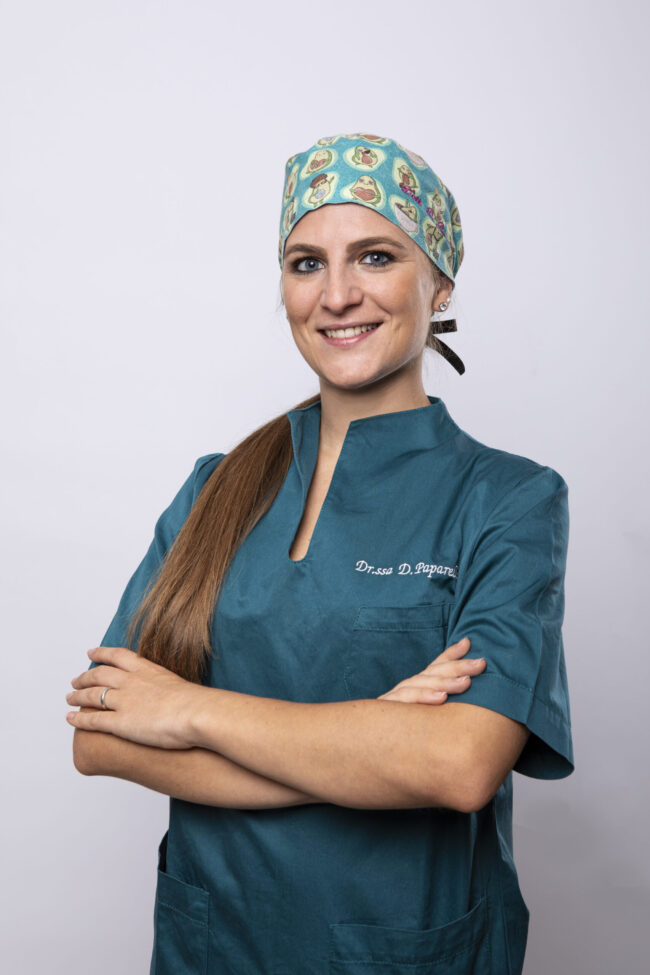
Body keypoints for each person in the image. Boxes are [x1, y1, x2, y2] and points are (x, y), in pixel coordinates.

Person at [67, 132, 574, 975]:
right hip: (213, 946)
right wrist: (373, 735)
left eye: (375, 256)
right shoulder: (216, 488)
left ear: (440, 281)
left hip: (400, 950)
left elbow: (459, 764)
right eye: (306, 264)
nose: (337, 295)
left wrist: (189, 711)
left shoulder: (507, 500)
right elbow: (101, 736)